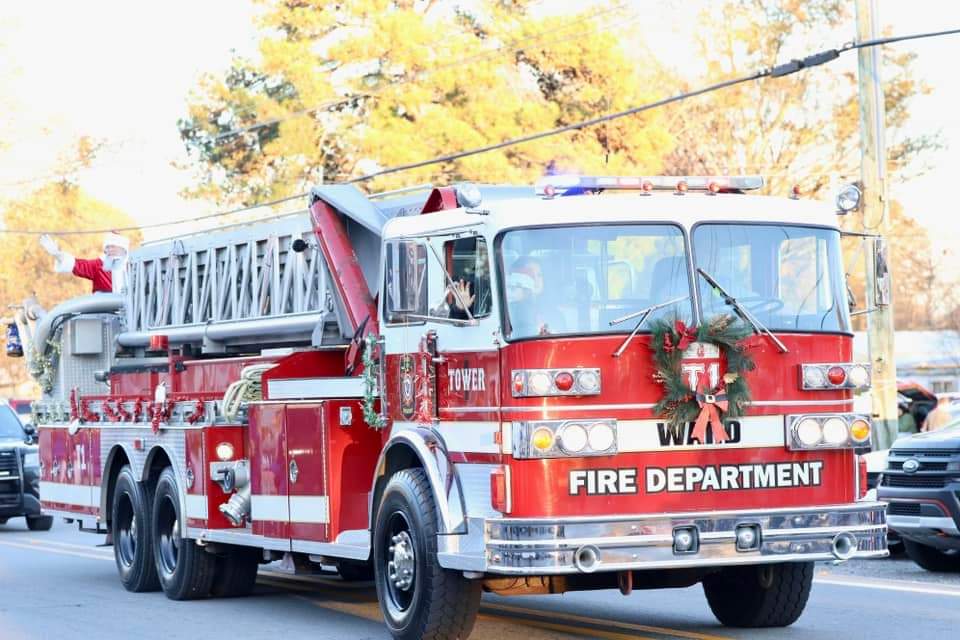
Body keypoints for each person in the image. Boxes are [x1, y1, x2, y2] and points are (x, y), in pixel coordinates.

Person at [39, 232, 130, 294]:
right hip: (104, 313)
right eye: (107, 247)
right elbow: (75, 264)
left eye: (112, 247)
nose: (109, 250)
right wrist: (58, 254)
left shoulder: (134, 266)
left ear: (123, 248)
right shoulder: (99, 266)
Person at [506, 256, 549, 337]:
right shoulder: (512, 313)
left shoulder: (554, 313)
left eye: (539, 275)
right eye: (529, 275)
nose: (536, 280)